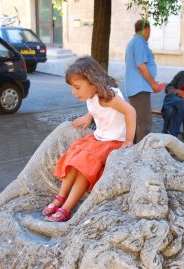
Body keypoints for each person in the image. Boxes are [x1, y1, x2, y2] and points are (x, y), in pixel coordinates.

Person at [42, 56, 136, 222]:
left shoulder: (108, 97)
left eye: (77, 87)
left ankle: (67, 208)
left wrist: (128, 140)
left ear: (92, 82)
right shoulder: (93, 95)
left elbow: (131, 112)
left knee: (85, 166)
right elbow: (95, 108)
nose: (74, 92)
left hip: (113, 141)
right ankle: (61, 197)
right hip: (99, 137)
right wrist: (88, 117)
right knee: (74, 155)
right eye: (72, 87)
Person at [124, 19, 166, 143]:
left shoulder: (135, 42)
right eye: (149, 31)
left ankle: (135, 151)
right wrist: (153, 84)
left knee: (137, 122)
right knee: (144, 123)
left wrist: (152, 81)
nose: (149, 34)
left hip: (138, 87)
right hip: (139, 89)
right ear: (146, 30)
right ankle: (141, 155)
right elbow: (141, 66)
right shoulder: (139, 42)